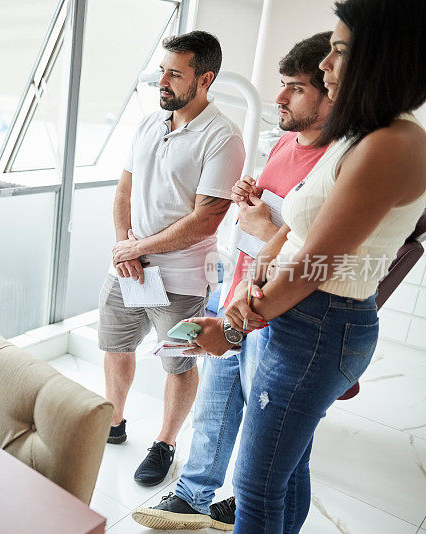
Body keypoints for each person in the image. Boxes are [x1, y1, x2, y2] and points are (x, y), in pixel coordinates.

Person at [184, 1, 426, 531]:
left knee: (255, 486)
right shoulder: (361, 136)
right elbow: (297, 233)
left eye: (338, 52)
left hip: (323, 322)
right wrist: (254, 280)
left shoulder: (393, 144)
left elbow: (318, 262)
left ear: (380, 58)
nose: (325, 66)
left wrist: (232, 326)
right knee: (282, 474)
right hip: (299, 315)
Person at [131, 32, 333, 531]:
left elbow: (310, 249)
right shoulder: (286, 143)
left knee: (278, 446)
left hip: (280, 311)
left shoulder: (338, 164)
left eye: (297, 88)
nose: (280, 98)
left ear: (332, 90)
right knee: (217, 405)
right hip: (237, 288)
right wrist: (251, 203)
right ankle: (193, 496)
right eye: (281, 85)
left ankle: (245, 505)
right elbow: (255, 220)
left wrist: (264, 224)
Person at [99, 30, 245, 487]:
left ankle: (164, 443)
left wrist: (138, 248)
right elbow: (124, 189)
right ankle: (115, 421)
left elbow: (207, 219)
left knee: (178, 362)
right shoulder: (149, 123)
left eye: (174, 74)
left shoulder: (224, 138)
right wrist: (125, 244)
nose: (162, 80)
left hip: (181, 278)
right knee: (116, 346)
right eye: (162, 70)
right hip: (127, 268)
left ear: (204, 79)